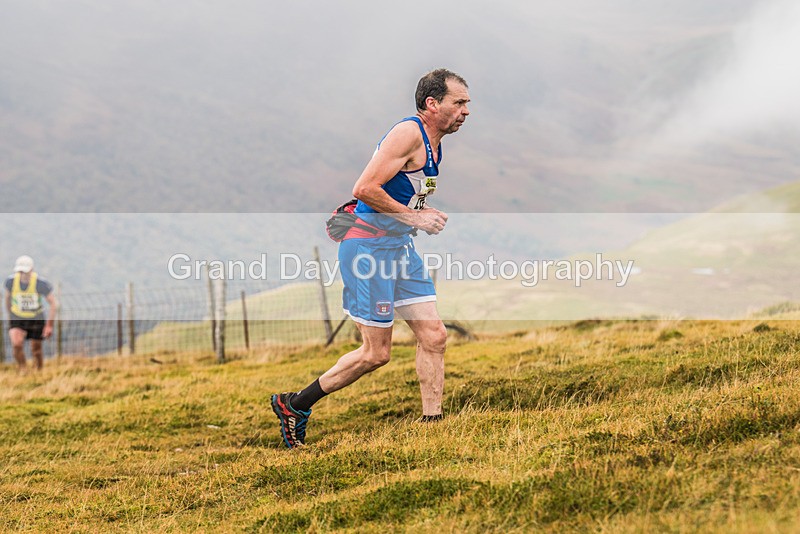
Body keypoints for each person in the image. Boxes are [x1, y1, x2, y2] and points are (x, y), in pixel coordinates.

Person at [271, 68, 470, 448]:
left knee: (435, 335)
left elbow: (401, 189)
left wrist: (417, 214)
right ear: (432, 104)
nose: (465, 111)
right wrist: (415, 217)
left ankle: (433, 423)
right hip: (368, 250)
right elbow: (364, 188)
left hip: (399, 247)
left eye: (466, 103)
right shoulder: (408, 133)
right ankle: (294, 404)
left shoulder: (435, 142)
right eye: (458, 102)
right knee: (376, 353)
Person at [4, 255, 57, 371]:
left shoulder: (40, 283)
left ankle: (38, 371)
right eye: (20, 271)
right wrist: (10, 315)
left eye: (25, 271)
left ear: (31, 270)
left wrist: (49, 325)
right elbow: (7, 299)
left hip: (36, 318)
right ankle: (23, 369)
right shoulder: (10, 282)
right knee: (16, 344)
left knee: (36, 349)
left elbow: (53, 304)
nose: (23, 274)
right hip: (17, 317)